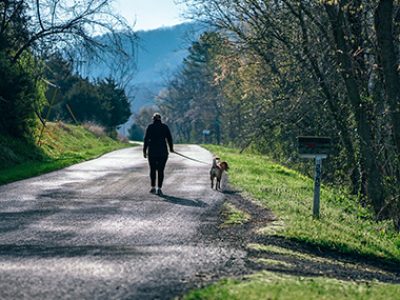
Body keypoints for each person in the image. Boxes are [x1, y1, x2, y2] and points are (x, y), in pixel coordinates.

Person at [143, 113, 174, 196]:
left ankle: (153, 187)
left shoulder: (150, 127)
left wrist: (144, 151)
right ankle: (159, 188)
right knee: (161, 170)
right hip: (163, 152)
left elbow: (146, 139)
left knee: (152, 170)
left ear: (153, 119)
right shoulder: (165, 127)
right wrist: (171, 148)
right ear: (160, 119)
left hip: (152, 152)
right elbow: (169, 138)